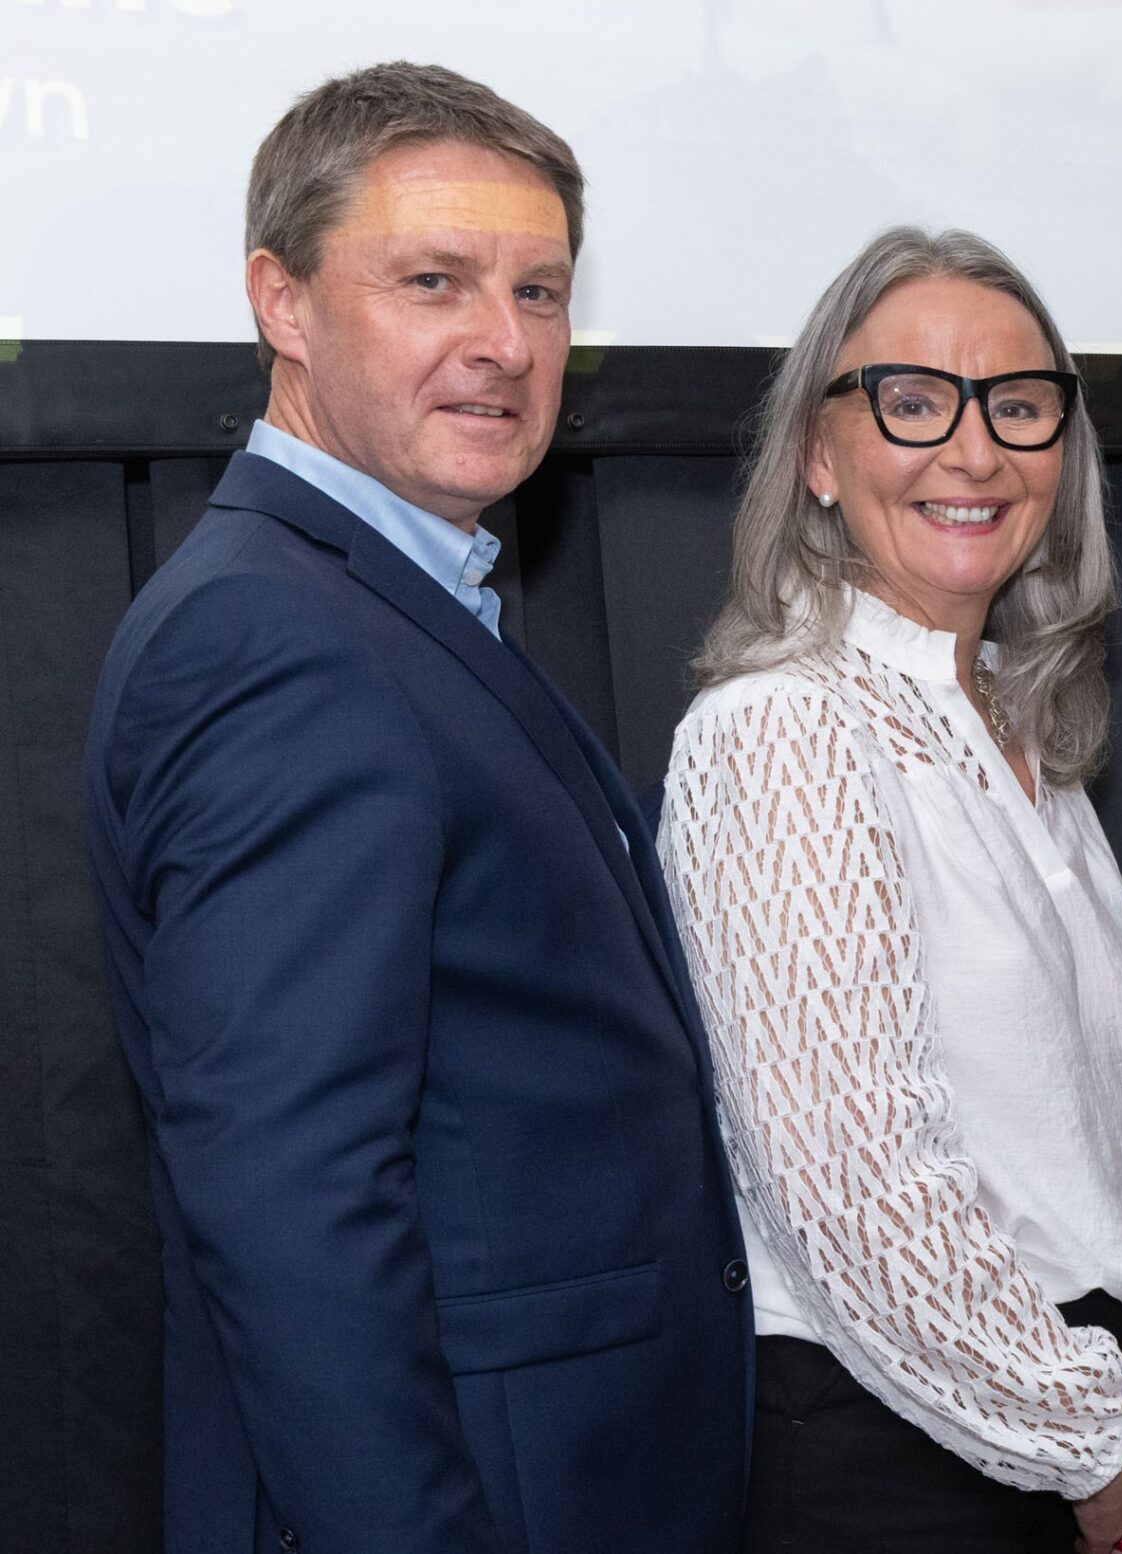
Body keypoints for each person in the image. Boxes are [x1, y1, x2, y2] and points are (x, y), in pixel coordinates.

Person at [80, 63, 751, 1554]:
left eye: (540, 291)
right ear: (283, 301)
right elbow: (292, 1204)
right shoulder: (275, 639)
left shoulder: (397, 600)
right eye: (434, 281)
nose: (504, 342)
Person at [656, 227, 1122, 1554]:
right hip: (893, 1464)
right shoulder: (783, 729)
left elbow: (1118, 1141)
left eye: (1018, 405)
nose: (974, 452)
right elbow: (857, 1198)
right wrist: (1100, 1451)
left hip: (1074, 1418)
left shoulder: (1025, 736)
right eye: (912, 401)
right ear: (818, 454)